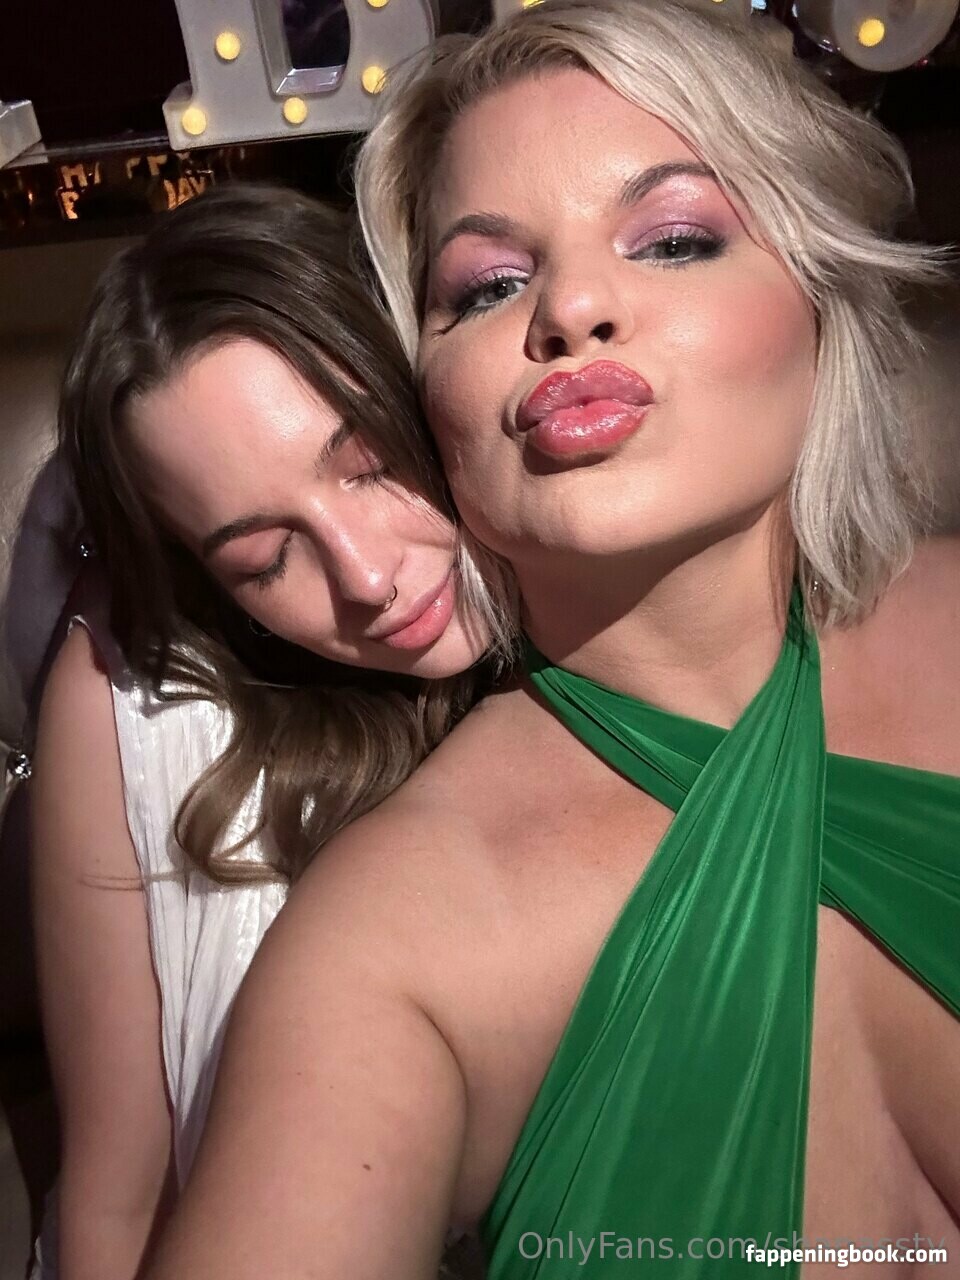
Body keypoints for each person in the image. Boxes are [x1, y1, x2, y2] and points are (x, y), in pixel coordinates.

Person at [142, 3, 960, 1277]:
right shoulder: (389, 937)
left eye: (674, 239)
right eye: (489, 285)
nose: (572, 306)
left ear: (819, 291)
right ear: (428, 398)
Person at [29, 183, 510, 1280]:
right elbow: (119, 1195)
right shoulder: (141, 715)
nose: (368, 576)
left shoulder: (635, 596)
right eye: (264, 558)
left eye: (371, 463)